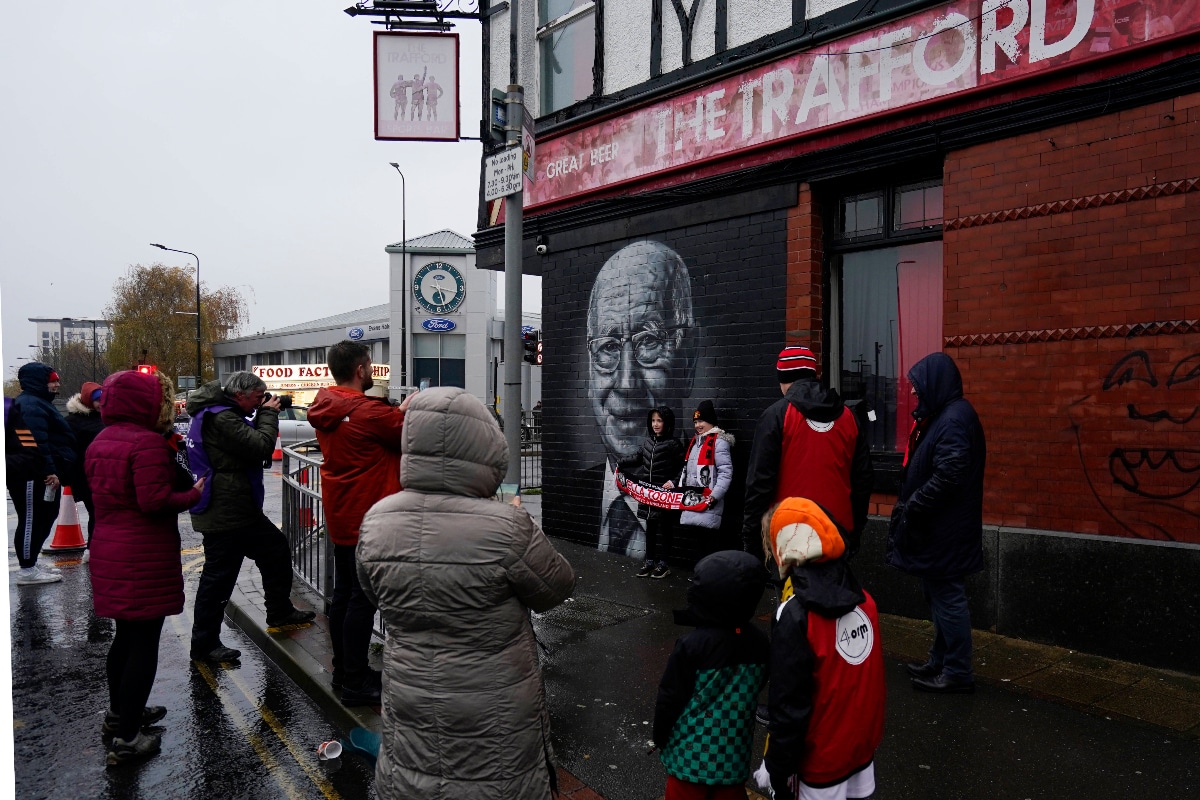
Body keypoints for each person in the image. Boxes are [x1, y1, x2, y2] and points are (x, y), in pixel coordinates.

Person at [356, 387, 576, 800]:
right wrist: (523, 523)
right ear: (484, 447)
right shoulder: (507, 528)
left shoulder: (377, 521)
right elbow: (556, 587)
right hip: (495, 709)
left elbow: (373, 593)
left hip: (412, 696)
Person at [86, 369, 205, 766]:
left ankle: (121, 713)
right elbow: (154, 502)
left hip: (110, 547)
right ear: (145, 403)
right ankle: (128, 738)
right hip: (142, 553)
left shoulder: (102, 439)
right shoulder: (148, 443)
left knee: (124, 637)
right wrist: (193, 494)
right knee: (143, 645)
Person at [759, 497, 885, 800]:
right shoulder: (865, 601)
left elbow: (788, 704)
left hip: (818, 764)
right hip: (859, 750)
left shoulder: (795, 615)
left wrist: (777, 767)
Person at [309, 340, 413, 706]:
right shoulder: (369, 412)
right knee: (362, 600)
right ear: (359, 369)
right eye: (369, 365)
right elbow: (407, 434)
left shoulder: (327, 405)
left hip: (342, 513)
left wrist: (396, 411)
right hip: (370, 517)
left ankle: (345, 670)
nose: (371, 370)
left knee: (344, 595)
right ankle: (355, 682)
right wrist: (406, 409)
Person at [186, 372, 314, 664]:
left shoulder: (222, 412)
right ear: (239, 394)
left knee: (275, 550)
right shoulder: (222, 418)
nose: (260, 402)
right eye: (257, 397)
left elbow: (245, 444)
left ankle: (280, 611)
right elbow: (260, 446)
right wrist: (268, 414)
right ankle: (204, 645)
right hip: (226, 511)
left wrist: (262, 412)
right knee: (218, 580)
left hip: (236, 507)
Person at [587, 240, 696, 557]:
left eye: (649, 341)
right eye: (608, 347)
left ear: (688, 361)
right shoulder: (568, 498)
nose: (626, 383)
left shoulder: (693, 491)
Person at [886, 352, 986, 694]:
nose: (914, 392)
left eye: (918, 385)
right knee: (938, 595)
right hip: (940, 529)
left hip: (945, 530)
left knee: (947, 598)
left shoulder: (953, 419)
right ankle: (940, 660)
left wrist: (914, 504)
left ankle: (957, 671)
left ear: (936, 383)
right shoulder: (946, 416)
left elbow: (949, 475)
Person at [652, 550, 769, 800]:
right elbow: (760, 682)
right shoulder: (760, 643)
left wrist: (660, 735)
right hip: (733, 756)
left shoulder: (692, 645)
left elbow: (670, 697)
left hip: (689, 759)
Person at [742, 346, 873, 560]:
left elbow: (759, 483)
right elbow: (863, 480)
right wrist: (855, 531)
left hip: (790, 534)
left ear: (784, 379)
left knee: (792, 584)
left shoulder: (776, 415)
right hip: (837, 532)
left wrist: (751, 539)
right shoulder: (849, 417)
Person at [7, 362, 76, 585]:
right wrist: (49, 471)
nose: (57, 385)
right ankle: (27, 570)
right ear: (39, 382)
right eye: (53, 381)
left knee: (43, 516)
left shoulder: (37, 403)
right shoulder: (30, 405)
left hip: (38, 474)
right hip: (31, 475)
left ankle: (31, 563)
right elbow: (34, 442)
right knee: (31, 519)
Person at [624, 407, 685, 578]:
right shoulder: (647, 442)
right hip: (649, 495)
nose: (655, 424)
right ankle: (649, 561)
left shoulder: (673, 444)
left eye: (659, 420)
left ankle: (664, 564)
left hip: (664, 495)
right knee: (650, 528)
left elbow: (684, 467)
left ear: (667, 422)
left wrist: (673, 481)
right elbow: (637, 458)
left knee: (665, 529)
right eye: (653, 420)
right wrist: (621, 463)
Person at [675, 400, 734, 559]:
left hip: (709, 503)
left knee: (709, 545)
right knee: (699, 544)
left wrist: (714, 496)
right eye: (695, 422)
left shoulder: (719, 443)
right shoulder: (696, 443)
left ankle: (708, 573)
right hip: (694, 502)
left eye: (701, 421)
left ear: (711, 422)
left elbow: (725, 473)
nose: (698, 425)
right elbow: (688, 472)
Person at [65, 380, 105, 553]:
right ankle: (94, 549)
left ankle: (95, 549)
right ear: (88, 400)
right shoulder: (73, 422)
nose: (101, 403)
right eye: (97, 400)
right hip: (86, 475)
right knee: (96, 513)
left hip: (103, 474)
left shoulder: (105, 418)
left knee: (99, 514)